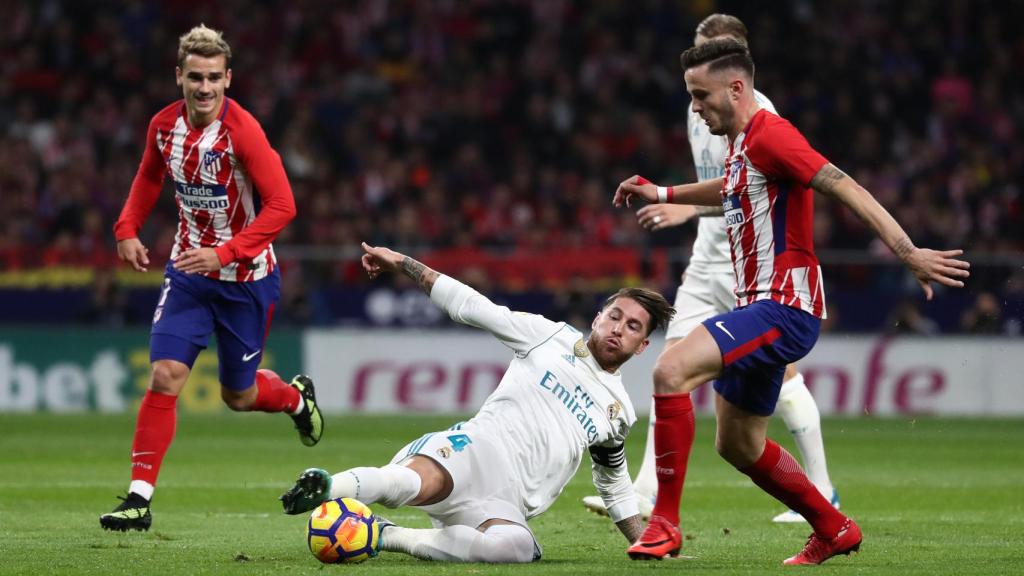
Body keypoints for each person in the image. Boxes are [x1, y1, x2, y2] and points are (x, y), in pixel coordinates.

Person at [613, 39, 969, 564]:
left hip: (784, 307)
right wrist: (663, 193)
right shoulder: (741, 145)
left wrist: (907, 251)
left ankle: (663, 523)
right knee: (737, 443)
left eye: (700, 95)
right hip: (757, 308)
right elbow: (730, 188)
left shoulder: (772, 135)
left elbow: (843, 184)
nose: (694, 107)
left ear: (736, 88)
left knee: (669, 371)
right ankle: (833, 528)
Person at [582, 13, 840, 525]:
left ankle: (824, 490)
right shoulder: (694, 105)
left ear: (735, 70)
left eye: (708, 61)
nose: (696, 94)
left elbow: (747, 187)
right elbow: (719, 181)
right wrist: (672, 197)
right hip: (709, 259)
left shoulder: (762, 119)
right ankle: (649, 491)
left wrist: (680, 206)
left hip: (759, 265)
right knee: (671, 361)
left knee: (782, 380)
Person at [278, 242, 675, 563]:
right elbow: (473, 306)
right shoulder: (548, 336)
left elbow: (614, 484)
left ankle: (385, 534)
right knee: (409, 483)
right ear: (598, 318)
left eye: (632, 327)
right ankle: (328, 487)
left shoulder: (618, 411)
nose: (618, 329)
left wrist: (644, 541)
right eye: (615, 317)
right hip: (473, 452)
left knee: (515, 549)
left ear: (641, 347)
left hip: (505, 502)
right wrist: (403, 263)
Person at [100, 24, 323, 532]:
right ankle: (138, 499)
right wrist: (126, 228)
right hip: (189, 275)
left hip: (246, 279)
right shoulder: (162, 126)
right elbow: (149, 175)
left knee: (238, 397)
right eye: (196, 77)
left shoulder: (243, 132)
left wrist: (225, 252)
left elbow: (284, 205)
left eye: (215, 78)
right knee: (165, 376)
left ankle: (294, 398)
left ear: (228, 79)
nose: (205, 88)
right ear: (179, 76)